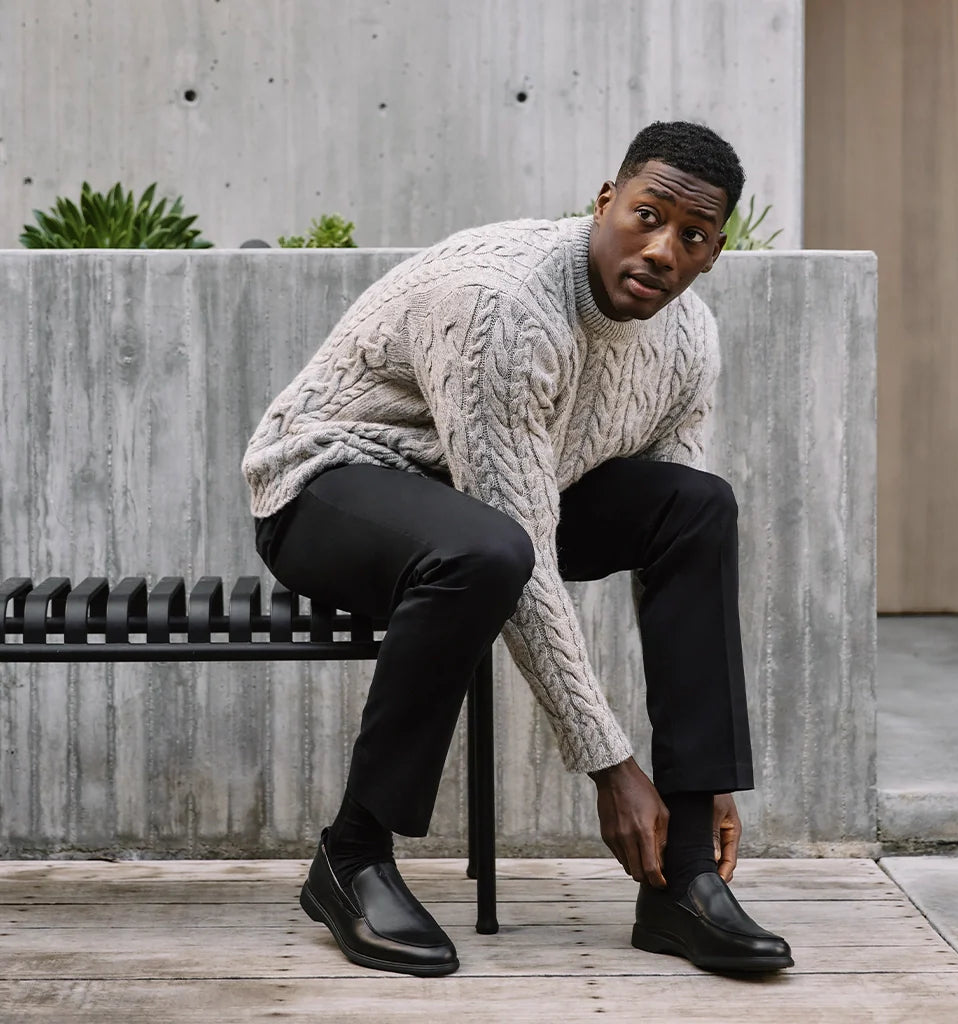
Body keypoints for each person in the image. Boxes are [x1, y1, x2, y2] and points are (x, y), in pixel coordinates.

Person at [242, 120, 793, 977]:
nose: (661, 249)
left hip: (490, 505)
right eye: (646, 216)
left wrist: (699, 777)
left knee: (699, 507)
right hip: (329, 484)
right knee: (486, 553)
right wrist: (610, 765)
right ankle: (351, 858)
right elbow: (520, 549)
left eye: (691, 236)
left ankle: (682, 880)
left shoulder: (688, 339)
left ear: (714, 253)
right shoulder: (503, 304)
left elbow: (662, 529)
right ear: (605, 201)